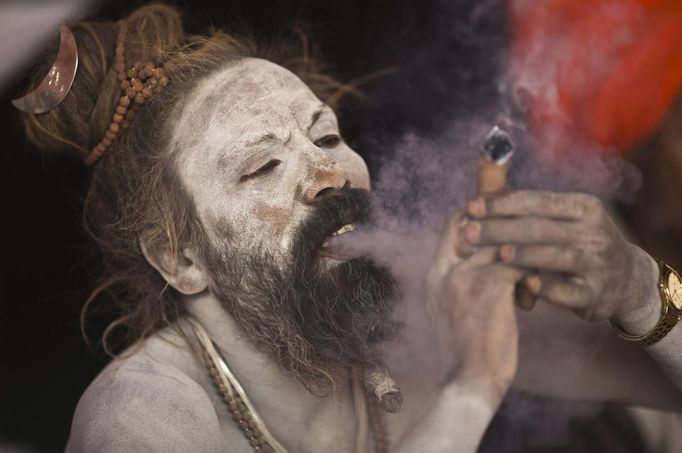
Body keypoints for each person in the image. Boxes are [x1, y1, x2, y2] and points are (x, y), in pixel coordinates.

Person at [14, 4, 682, 452]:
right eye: (264, 166)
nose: (330, 173)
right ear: (180, 258)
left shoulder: (417, 307)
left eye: (327, 134)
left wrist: (642, 292)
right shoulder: (140, 418)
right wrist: (473, 384)